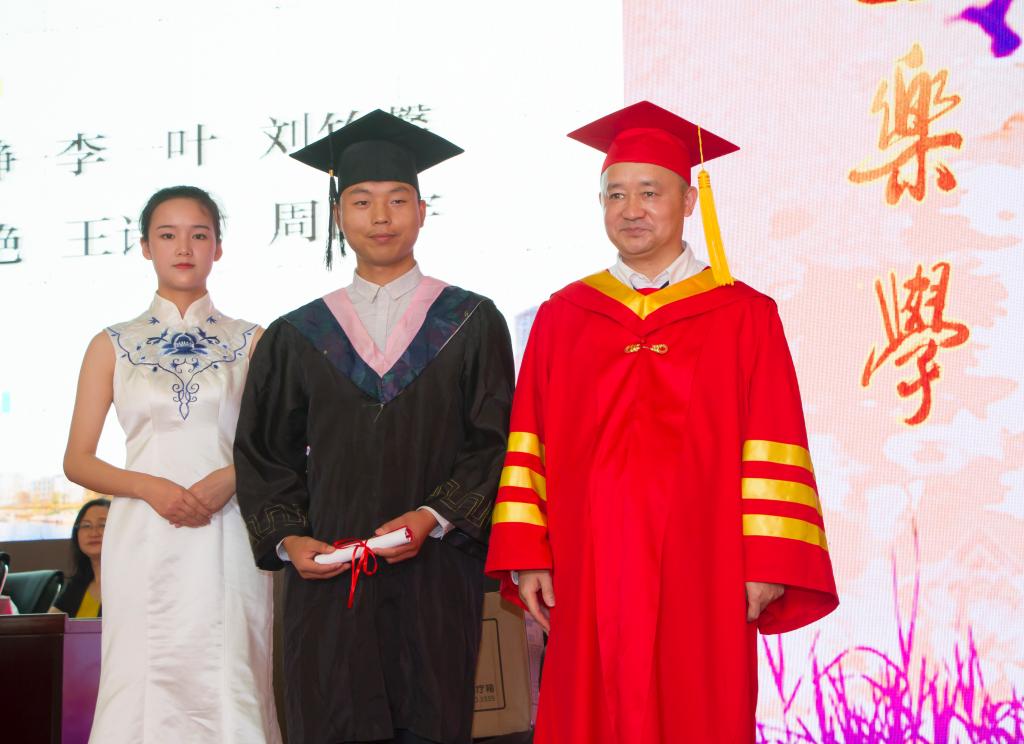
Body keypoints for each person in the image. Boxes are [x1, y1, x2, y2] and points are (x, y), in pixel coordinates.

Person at [485, 101, 840, 743]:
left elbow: (774, 442)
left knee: (697, 706)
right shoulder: (564, 315)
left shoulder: (743, 315)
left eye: (650, 192)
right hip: (586, 564)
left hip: (706, 565)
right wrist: (528, 554)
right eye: (615, 194)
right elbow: (527, 441)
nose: (631, 209)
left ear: (688, 201)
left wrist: (766, 560)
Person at [234, 109, 515, 744]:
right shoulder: (297, 333)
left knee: (430, 715)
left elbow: (494, 440)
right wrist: (290, 540)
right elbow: (265, 451)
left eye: (397, 200)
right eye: (361, 201)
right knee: (331, 715)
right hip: (330, 574)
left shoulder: (471, 321)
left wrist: (435, 516)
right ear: (339, 215)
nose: (380, 216)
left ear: (422, 211)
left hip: (435, 572)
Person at [63, 186, 282, 743]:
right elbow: (77, 460)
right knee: (140, 678)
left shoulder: (253, 341)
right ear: (145, 247)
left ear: (218, 248)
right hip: (143, 533)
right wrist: (150, 488)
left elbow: (282, 445)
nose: (183, 247)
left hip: (229, 526)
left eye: (198, 234)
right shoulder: (112, 344)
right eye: (167, 234)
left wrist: (230, 478)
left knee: (233, 670)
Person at [51, 497, 110, 618]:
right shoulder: (77, 584)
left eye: (103, 525)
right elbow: (49, 624)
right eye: (86, 525)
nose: (94, 533)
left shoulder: (132, 583)